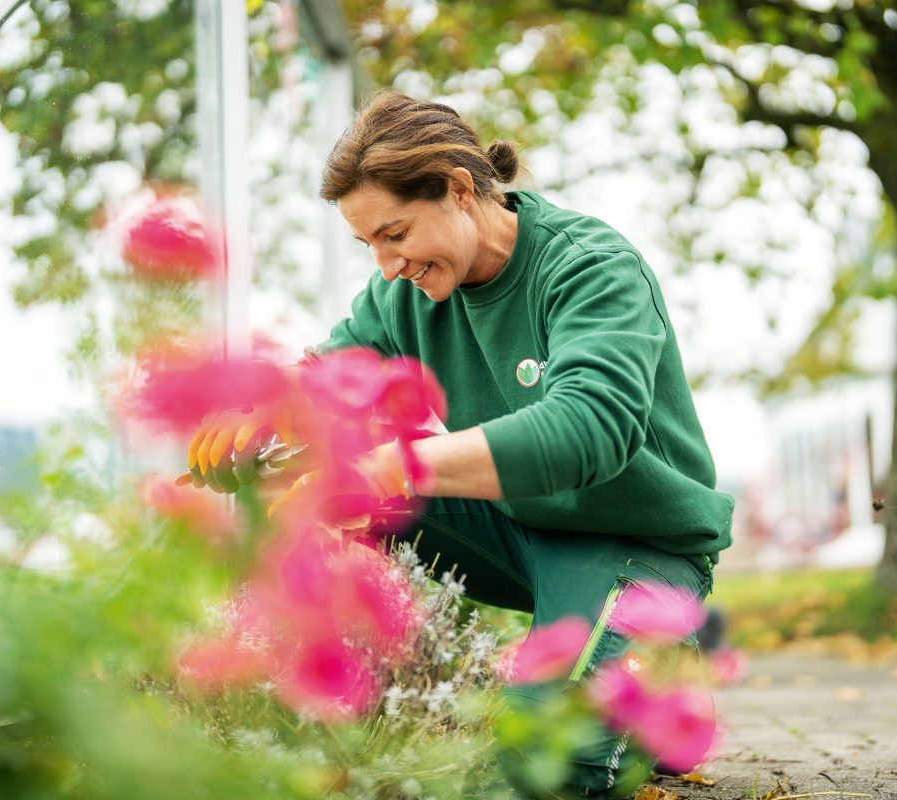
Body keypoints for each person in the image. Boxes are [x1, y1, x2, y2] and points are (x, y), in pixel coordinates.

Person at [189, 91, 734, 798]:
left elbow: (592, 428)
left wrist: (398, 463)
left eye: (396, 233)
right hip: (519, 527)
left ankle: (658, 683)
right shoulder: (402, 296)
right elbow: (328, 380)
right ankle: (363, 721)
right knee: (323, 493)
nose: (387, 265)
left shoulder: (589, 267)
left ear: (457, 188)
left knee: (544, 762)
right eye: (370, 245)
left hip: (637, 540)